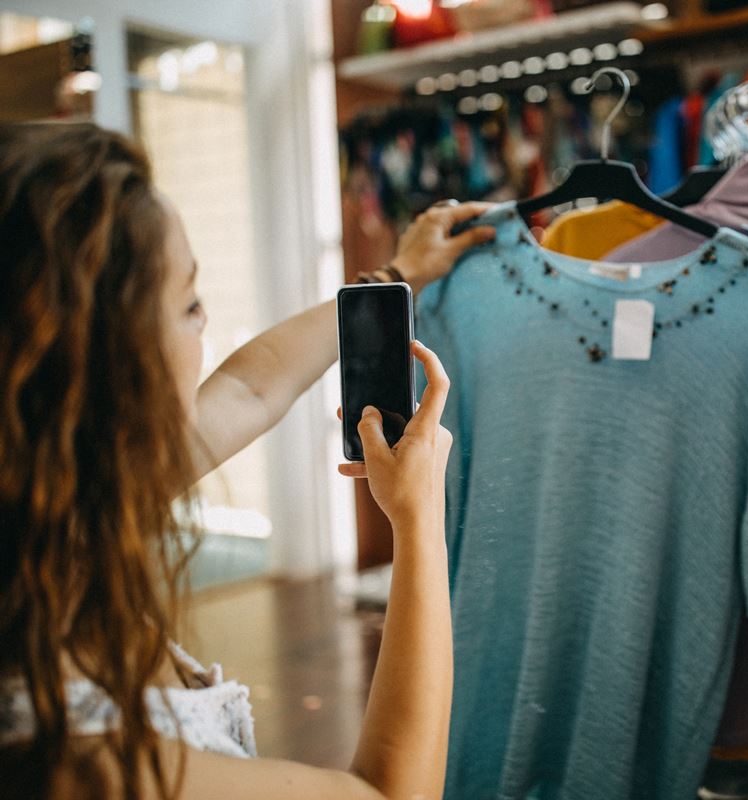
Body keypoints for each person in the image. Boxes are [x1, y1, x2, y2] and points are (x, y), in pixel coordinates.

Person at [0, 122, 495, 799]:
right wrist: (419, 520)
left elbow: (251, 385)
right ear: (113, 364)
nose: (207, 325)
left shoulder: (50, 503)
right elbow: (390, 793)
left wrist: (394, 278)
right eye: (191, 304)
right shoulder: (87, 764)